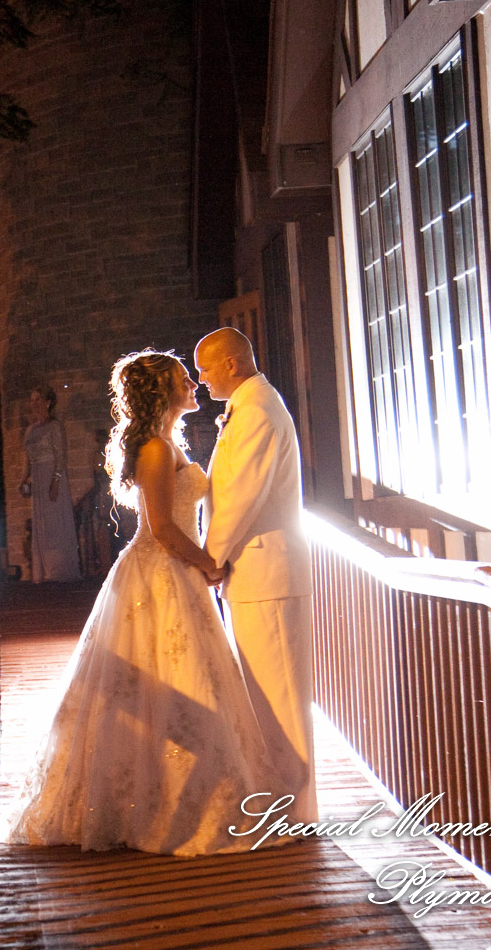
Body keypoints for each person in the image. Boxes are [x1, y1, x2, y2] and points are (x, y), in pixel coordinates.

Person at [8, 350, 277, 856]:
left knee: (185, 679)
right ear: (162, 392)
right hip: (159, 573)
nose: (193, 384)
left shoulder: (169, 443)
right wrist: (209, 564)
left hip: (176, 573)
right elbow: (163, 528)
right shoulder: (155, 449)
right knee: (166, 681)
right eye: (184, 379)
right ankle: (160, 807)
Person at [196, 327, 318, 823]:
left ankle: (296, 811)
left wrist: (210, 558)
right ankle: (280, 802)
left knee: (281, 697)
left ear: (231, 364)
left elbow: (240, 497)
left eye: (206, 368)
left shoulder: (258, 412)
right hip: (253, 574)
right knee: (264, 698)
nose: (202, 379)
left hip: (267, 572)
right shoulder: (248, 406)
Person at [21, 385, 81, 582]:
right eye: (32, 400)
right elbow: (27, 458)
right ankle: (44, 570)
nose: (35, 403)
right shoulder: (30, 430)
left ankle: (59, 569)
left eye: (38, 399)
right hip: (37, 477)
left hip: (52, 476)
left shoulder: (55, 426)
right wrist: (24, 479)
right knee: (42, 523)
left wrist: (56, 480)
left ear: (48, 402)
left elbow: (60, 455)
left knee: (54, 521)